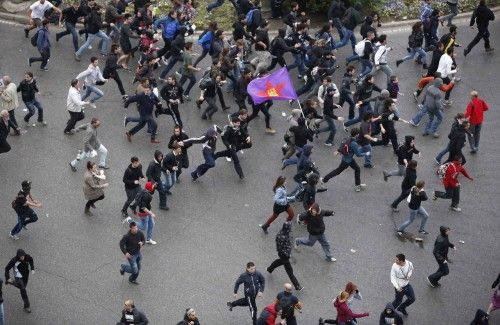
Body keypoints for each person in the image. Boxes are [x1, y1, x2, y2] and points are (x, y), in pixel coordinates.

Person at [321, 128, 370, 192]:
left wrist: (338, 151)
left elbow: (342, 145)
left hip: (347, 158)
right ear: (356, 135)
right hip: (347, 161)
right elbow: (358, 154)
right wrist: (366, 153)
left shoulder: (347, 138)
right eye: (358, 134)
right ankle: (324, 180)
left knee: (357, 169)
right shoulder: (354, 144)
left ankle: (357, 185)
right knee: (337, 171)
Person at [266, 222, 302, 290]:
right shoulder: (281, 236)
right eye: (290, 228)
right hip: (284, 255)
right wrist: (288, 254)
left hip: (286, 255)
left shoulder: (285, 233)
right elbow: (280, 248)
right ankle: (297, 286)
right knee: (289, 271)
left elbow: (287, 244)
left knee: (280, 262)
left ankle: (269, 269)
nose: (291, 229)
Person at [4, 249, 35, 313]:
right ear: (18, 256)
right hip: (18, 276)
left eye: (23, 256)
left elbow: (31, 260)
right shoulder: (14, 260)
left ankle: (11, 282)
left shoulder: (27, 257)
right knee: (23, 289)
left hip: (25, 275)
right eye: (21, 257)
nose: (22, 258)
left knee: (22, 287)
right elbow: (7, 269)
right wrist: (8, 277)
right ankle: (27, 306)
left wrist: (32, 268)